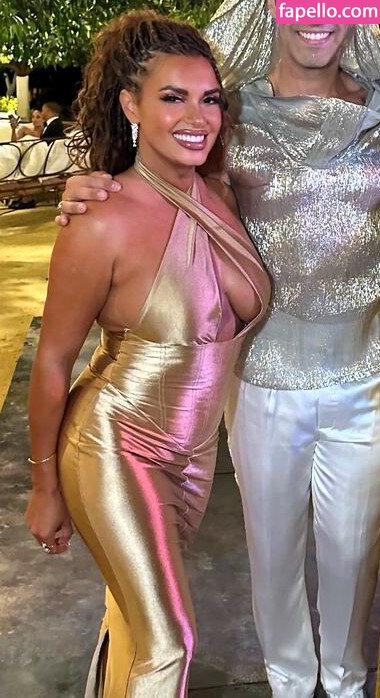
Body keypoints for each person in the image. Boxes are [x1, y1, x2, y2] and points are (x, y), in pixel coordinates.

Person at [57, 3, 380, 697]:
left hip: (366, 380)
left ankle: (349, 686)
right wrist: (93, 186)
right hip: (260, 379)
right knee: (274, 555)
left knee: (355, 558)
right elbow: (168, 180)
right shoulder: (232, 115)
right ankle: (289, 685)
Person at [25, 10, 270, 698]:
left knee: (133, 616)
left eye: (209, 98)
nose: (197, 117)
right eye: (172, 97)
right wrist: (44, 487)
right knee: (169, 643)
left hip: (193, 457)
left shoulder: (220, 193)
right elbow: (53, 362)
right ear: (130, 104)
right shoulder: (99, 220)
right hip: (113, 445)